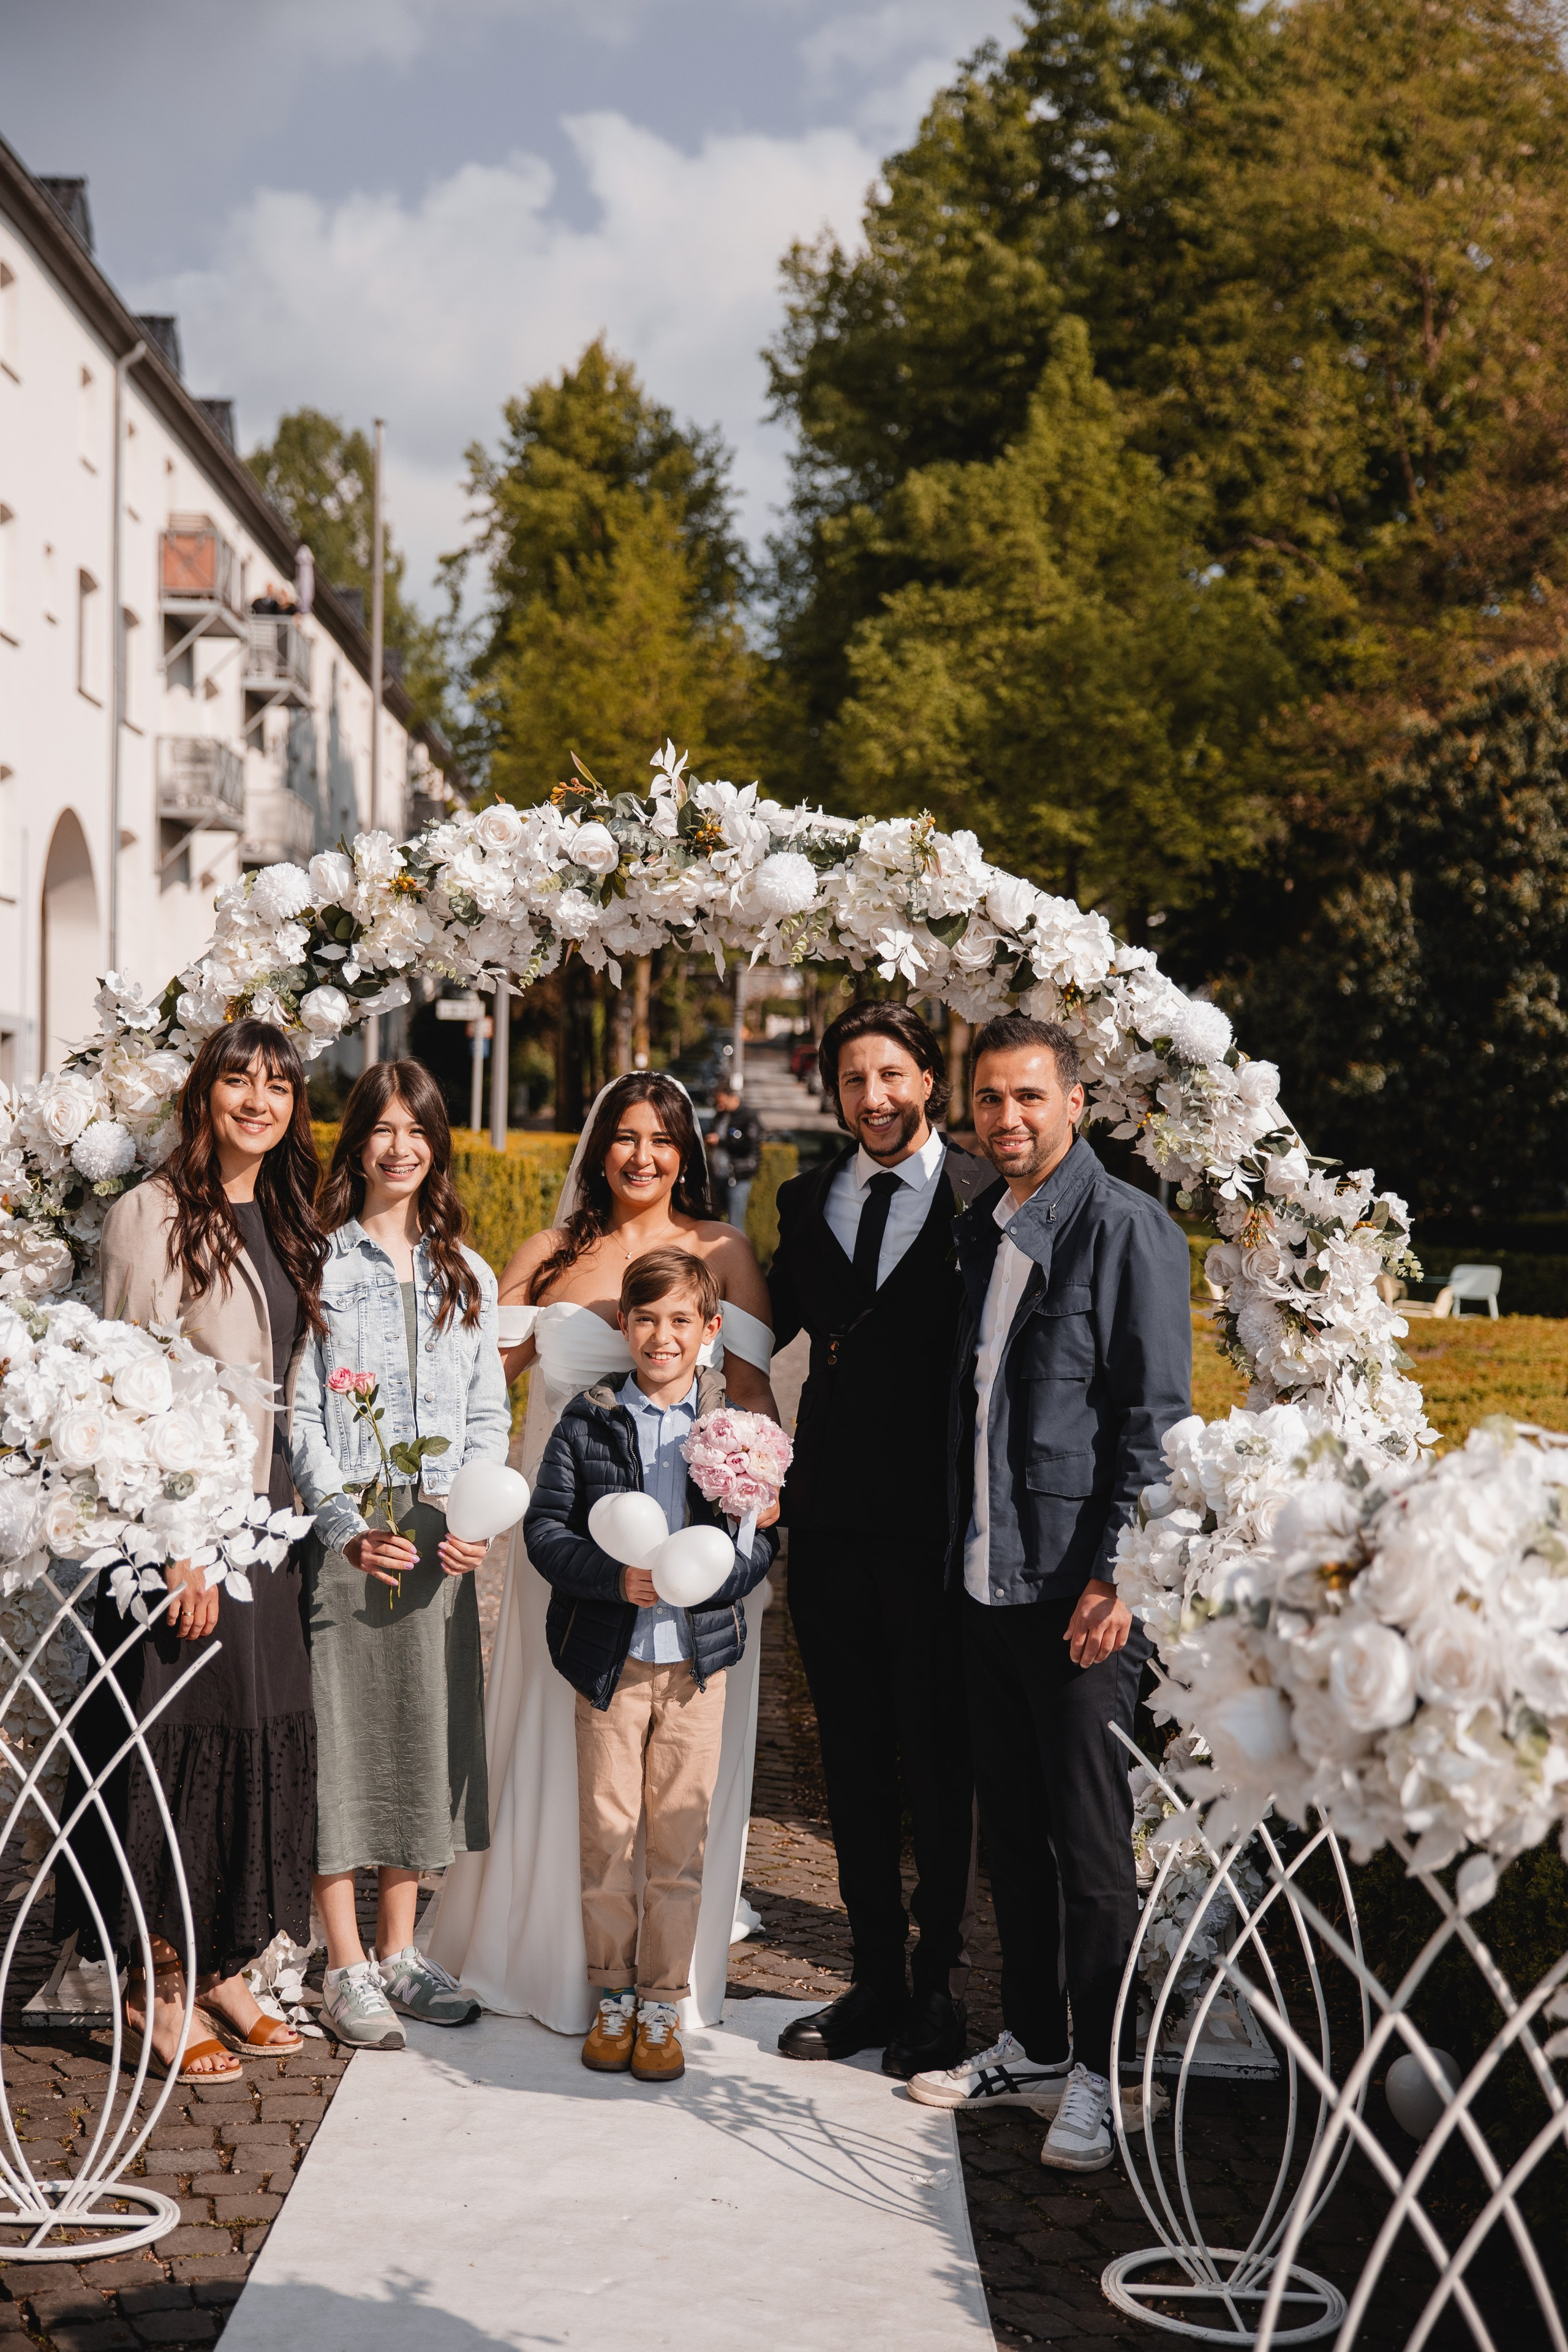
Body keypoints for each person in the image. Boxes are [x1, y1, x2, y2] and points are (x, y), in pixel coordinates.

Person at [420, 1072, 778, 2032]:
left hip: (694, 1565)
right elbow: (480, 1388)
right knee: (564, 1747)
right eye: (625, 1135)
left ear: (687, 1152)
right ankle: (547, 1955)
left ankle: (659, 1987)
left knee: (673, 1784)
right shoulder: (548, 1256)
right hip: (572, 1554)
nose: (641, 1155)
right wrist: (445, 1488)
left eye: (662, 1138)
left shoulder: (723, 1251)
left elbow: (752, 1397)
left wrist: (759, 1502)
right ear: (598, 1146)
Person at [908, 1013, 1189, 2171]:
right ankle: (1030, 2044)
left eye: (1029, 1096)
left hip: (1081, 1599)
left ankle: (1106, 2075)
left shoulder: (1126, 1229)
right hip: (988, 1585)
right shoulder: (982, 1230)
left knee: (1089, 1850)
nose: (1007, 1117)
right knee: (1013, 1841)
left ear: (1076, 1102)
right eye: (989, 1098)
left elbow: (1156, 1424)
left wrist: (1116, 1575)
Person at [58, 1020, 326, 2080]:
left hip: (268, 1525)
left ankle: (220, 1967)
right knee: (174, 1749)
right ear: (203, 1094)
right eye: (239, 1080)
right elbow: (128, 1390)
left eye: (279, 1085)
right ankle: (154, 1986)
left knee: (253, 1736)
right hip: (184, 1536)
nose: (259, 1100)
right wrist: (179, 1548)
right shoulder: (151, 1214)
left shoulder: (289, 1214)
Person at [766, 1003, 992, 2079]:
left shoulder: (986, 1196)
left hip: (941, 1534)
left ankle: (940, 1987)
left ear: (929, 1080)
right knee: (850, 1759)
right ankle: (873, 1979)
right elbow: (756, 1328)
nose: (875, 1098)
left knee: (938, 1762)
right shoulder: (805, 1198)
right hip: (828, 1527)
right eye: (855, 1080)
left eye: (892, 1075)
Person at [290, 1060, 511, 2050]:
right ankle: (343, 1966)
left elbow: (488, 1414)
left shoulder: (467, 1273)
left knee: (422, 1738)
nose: (399, 1146)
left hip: (436, 1537)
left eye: (416, 1129)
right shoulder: (316, 1263)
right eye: (381, 1128)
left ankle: (399, 1952)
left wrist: (473, 1514)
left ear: (436, 1145)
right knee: (341, 1741)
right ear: (355, 1143)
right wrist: (343, 1530)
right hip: (350, 1539)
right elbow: (301, 1417)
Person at [526, 1249, 777, 2082]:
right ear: (624, 1326)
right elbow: (546, 1530)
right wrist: (614, 1578)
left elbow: (760, 1540)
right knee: (608, 1835)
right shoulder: (588, 1421)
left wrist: (715, 1580)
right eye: (646, 1320)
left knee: (677, 1839)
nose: (662, 1337)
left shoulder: (734, 1430)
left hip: (696, 1667)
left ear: (709, 1330)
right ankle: (613, 1993)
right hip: (610, 1662)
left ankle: (663, 2001)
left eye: (680, 1321)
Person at [706, 1082, 762, 1232]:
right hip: (719, 1176)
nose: (719, 1106)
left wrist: (721, 1142)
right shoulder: (721, 1116)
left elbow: (749, 1146)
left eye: (722, 1102)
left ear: (732, 1098)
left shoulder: (747, 1116)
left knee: (735, 1224)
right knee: (713, 1220)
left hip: (737, 1177)